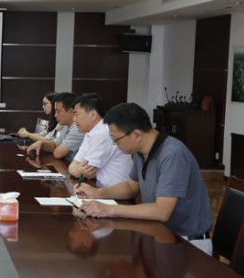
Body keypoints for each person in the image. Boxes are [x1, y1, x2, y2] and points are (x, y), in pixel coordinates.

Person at [75, 102, 213, 255]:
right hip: (160, 234)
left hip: (186, 243)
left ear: (136, 135)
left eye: (116, 139)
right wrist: (97, 193)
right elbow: (131, 187)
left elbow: (162, 211)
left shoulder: (172, 155)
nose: (114, 144)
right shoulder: (140, 152)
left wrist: (109, 209)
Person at [68, 93, 132, 187]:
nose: (74, 119)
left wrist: (77, 170)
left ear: (92, 115)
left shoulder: (102, 133)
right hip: (101, 188)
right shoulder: (91, 133)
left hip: (115, 193)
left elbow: (88, 172)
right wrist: (77, 170)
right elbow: (74, 165)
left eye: (76, 115)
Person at [26, 92, 85, 162]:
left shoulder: (78, 128)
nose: (55, 115)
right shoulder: (66, 125)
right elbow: (54, 145)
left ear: (71, 111)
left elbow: (58, 154)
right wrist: (41, 143)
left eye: (58, 111)